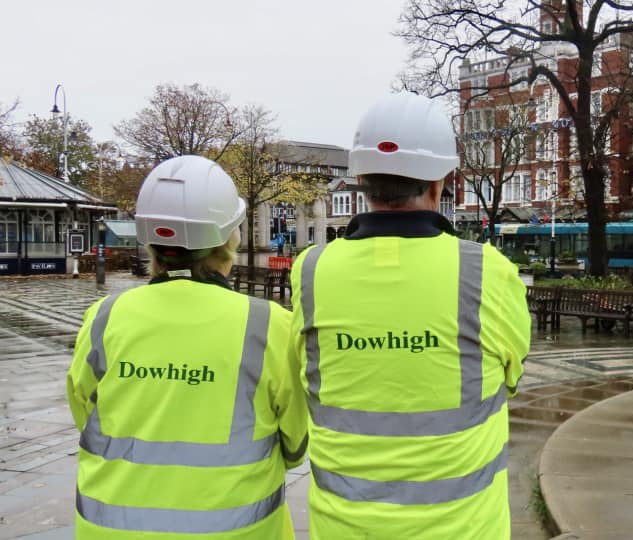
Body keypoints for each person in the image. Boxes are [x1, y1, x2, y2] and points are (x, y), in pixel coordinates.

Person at [288, 92, 530, 539]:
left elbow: (306, 375)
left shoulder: (312, 271)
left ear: (360, 178)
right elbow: (510, 376)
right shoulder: (487, 271)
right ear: (440, 182)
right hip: (464, 528)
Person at [66, 155, 307, 540]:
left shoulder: (104, 317)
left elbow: (89, 418)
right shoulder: (267, 325)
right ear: (230, 237)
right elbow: (295, 445)